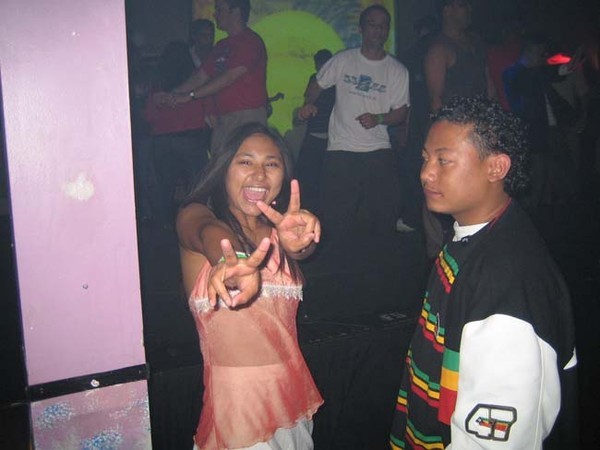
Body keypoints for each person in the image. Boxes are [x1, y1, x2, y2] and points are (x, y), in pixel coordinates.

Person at [389, 96, 578, 449]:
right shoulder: (472, 235)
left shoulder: (506, 283)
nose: (426, 173)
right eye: (425, 158)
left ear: (496, 168)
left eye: (444, 160)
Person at [176, 123, 323, 449]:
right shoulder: (196, 215)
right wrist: (231, 260)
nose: (259, 174)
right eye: (246, 161)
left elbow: (303, 250)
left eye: (271, 164)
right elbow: (205, 232)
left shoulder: (280, 232)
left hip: (293, 402)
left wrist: (303, 241)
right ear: (222, 168)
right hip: (238, 413)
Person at [298, 4, 410, 245]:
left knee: (382, 217)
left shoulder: (397, 70)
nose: (378, 30)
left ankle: (376, 263)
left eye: (383, 26)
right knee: (336, 219)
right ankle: (337, 263)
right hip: (341, 150)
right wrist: (308, 104)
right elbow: (316, 85)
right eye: (373, 25)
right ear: (361, 29)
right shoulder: (343, 60)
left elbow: (401, 113)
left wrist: (379, 118)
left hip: (378, 150)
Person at [156, 0, 268, 154]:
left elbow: (229, 77)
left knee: (244, 162)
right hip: (223, 119)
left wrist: (190, 96)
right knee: (220, 165)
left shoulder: (250, 41)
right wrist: (173, 94)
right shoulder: (222, 45)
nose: (215, 14)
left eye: (219, 9)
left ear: (235, 12)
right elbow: (201, 76)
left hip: (246, 117)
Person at [143, 40, 213, 228]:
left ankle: (164, 229)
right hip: (191, 138)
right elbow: (207, 110)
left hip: (163, 141)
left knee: (163, 190)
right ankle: (197, 226)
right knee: (197, 189)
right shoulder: (195, 82)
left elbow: (149, 116)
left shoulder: (157, 85)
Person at [425, 0, 494, 113]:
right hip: (456, 120)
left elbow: (489, 85)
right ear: (447, 10)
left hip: (481, 118)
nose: (469, 9)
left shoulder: (476, 42)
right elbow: (435, 100)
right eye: (463, 5)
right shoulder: (439, 49)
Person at [294, 49, 335, 212]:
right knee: (307, 179)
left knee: (320, 180)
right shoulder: (315, 79)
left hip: (331, 138)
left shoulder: (337, 81)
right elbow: (307, 102)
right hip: (315, 135)